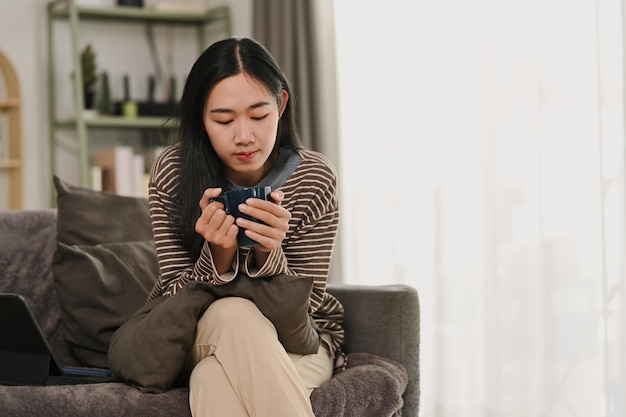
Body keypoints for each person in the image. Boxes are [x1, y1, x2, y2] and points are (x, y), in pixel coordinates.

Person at [145, 36, 346, 417]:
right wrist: (217, 259)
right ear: (201, 120)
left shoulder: (313, 179)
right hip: (204, 333)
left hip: (300, 343)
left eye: (258, 116)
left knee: (211, 381)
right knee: (234, 314)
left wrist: (269, 255)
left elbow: (304, 316)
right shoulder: (174, 172)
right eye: (223, 120)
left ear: (281, 105)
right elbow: (172, 302)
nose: (244, 136)